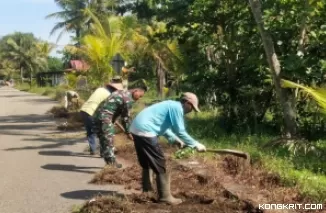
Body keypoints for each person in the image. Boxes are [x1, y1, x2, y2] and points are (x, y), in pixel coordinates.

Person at [129, 92, 206, 205]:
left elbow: (161, 125)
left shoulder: (170, 105)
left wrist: (174, 139)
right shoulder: (177, 108)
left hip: (137, 128)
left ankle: (147, 191)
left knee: (147, 162)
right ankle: (165, 197)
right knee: (160, 162)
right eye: (192, 108)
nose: (191, 111)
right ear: (187, 103)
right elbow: (180, 130)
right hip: (145, 130)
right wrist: (195, 144)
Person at [93, 86, 147, 167]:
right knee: (109, 140)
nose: (139, 98)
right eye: (140, 96)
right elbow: (125, 118)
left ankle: (107, 160)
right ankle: (112, 162)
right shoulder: (127, 99)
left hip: (98, 116)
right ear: (136, 91)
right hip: (106, 118)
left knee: (103, 138)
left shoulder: (120, 92)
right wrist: (129, 132)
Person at [80, 79, 124, 155]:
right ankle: (103, 152)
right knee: (102, 132)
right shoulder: (110, 95)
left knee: (90, 132)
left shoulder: (100, 89)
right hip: (92, 112)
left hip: (84, 110)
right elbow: (107, 111)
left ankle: (93, 150)